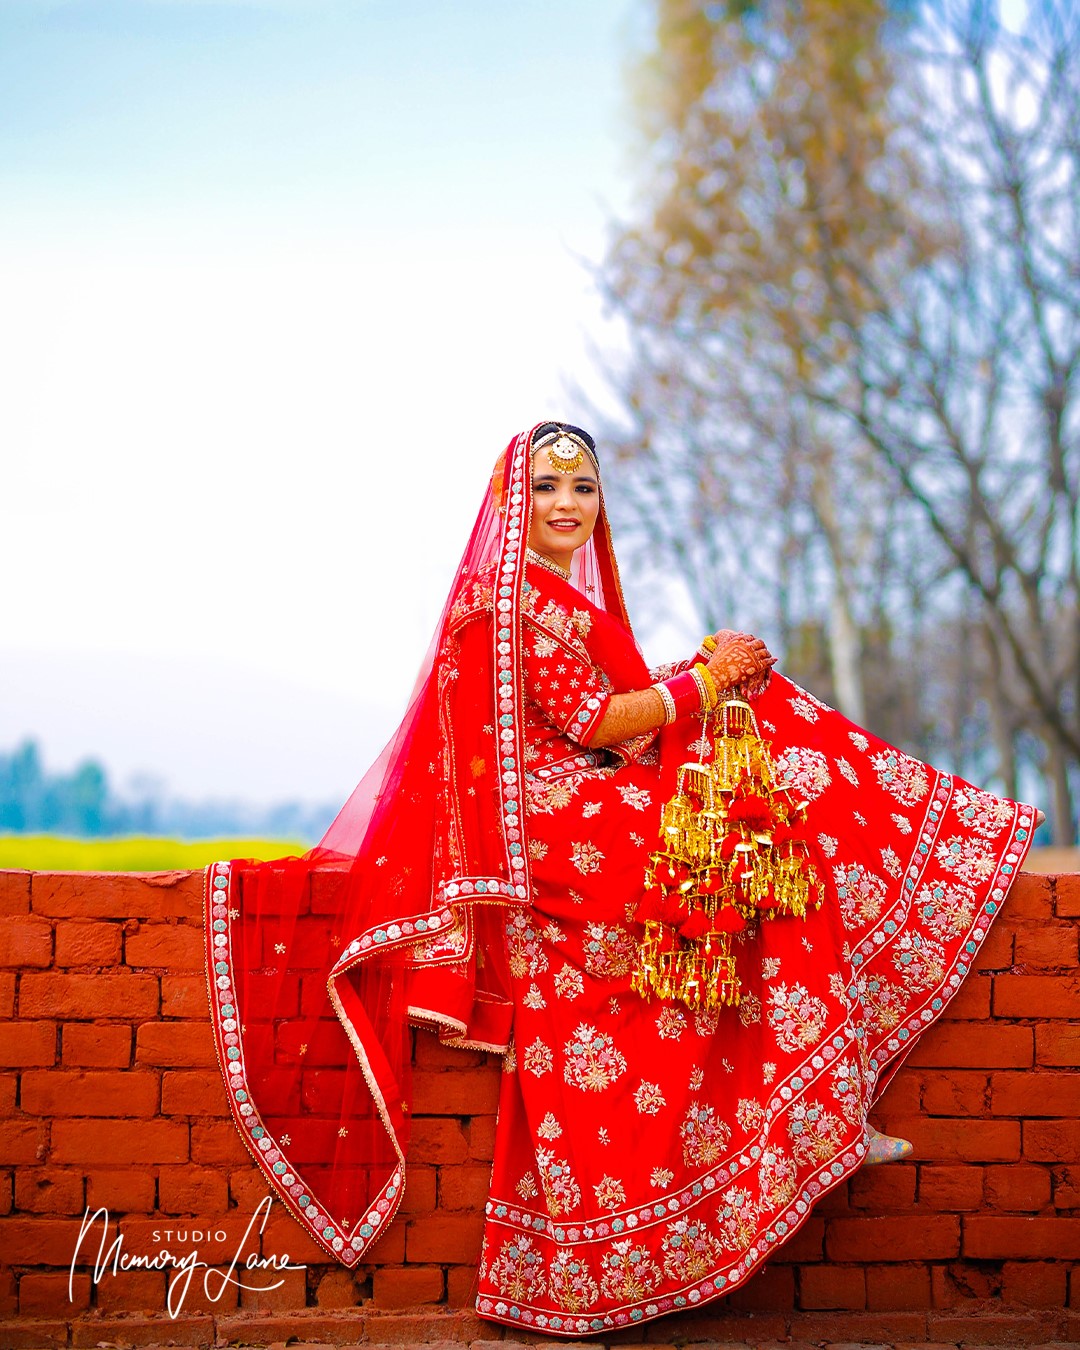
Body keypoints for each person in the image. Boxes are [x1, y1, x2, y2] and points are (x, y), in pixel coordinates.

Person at [205, 422, 1037, 1338]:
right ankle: (829, 1092)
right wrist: (702, 682)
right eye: (547, 488)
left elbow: (620, 719)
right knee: (760, 823)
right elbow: (598, 722)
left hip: (585, 801)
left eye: (584, 488)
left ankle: (828, 1090)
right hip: (551, 830)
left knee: (761, 735)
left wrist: (704, 675)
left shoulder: (561, 596)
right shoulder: (504, 599)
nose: (567, 504)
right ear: (510, 503)